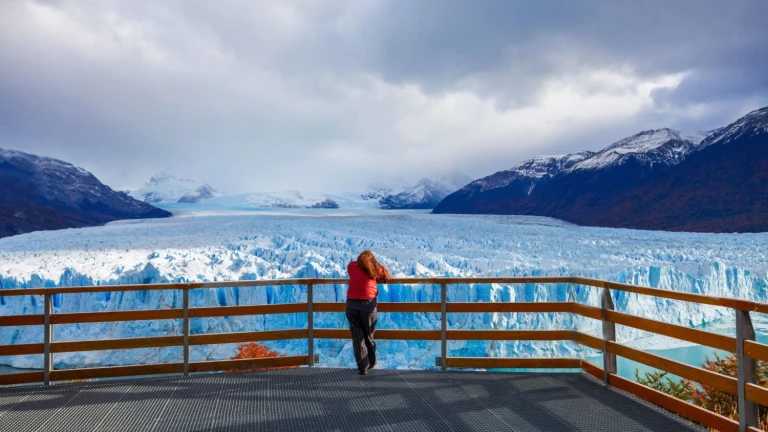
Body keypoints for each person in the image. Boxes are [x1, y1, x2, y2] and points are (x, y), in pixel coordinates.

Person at [346, 250, 391, 375]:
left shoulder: (352, 266)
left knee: (357, 338)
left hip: (351, 306)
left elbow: (351, 272)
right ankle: (371, 362)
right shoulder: (375, 268)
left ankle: (362, 367)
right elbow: (384, 275)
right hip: (368, 307)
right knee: (368, 337)